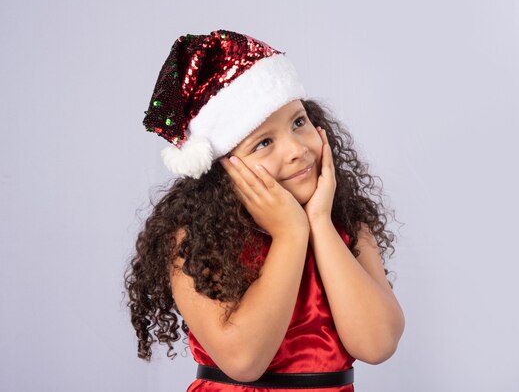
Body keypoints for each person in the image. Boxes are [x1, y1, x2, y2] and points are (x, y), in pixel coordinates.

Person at [125, 30, 405, 391]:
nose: (296, 149)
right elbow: (243, 361)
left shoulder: (347, 224)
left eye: (299, 122)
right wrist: (290, 234)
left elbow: (377, 344)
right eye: (264, 142)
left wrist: (319, 222)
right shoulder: (194, 242)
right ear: (222, 171)